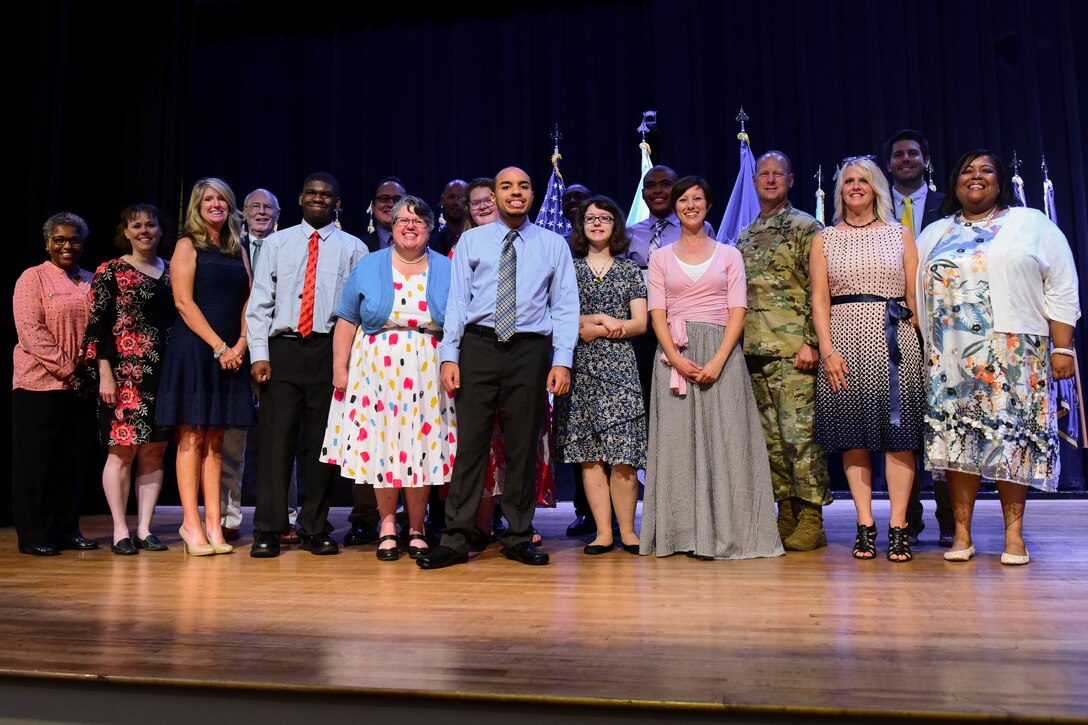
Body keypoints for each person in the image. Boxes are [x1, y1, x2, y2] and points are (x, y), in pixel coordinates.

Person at [916, 149, 1079, 566]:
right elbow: (913, 291)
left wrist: (1063, 346)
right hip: (950, 355)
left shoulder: (1032, 225)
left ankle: (1013, 536)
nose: (976, 177)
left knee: (1013, 442)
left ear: (999, 181)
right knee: (958, 440)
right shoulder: (934, 233)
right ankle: (962, 535)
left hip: (1015, 353)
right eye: (967, 170)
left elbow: (1061, 285)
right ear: (954, 184)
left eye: (986, 170)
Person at [418, 166, 578, 569]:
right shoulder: (472, 241)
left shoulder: (552, 244)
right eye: (507, 187)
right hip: (479, 346)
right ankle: (456, 538)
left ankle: (519, 535)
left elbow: (563, 307)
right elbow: (456, 303)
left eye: (523, 186)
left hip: (528, 351)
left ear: (531, 194)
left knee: (523, 448)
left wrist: (561, 360)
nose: (516, 193)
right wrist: (449, 355)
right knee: (471, 446)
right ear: (495, 195)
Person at [639, 176, 783, 560]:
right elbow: (657, 314)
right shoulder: (659, 257)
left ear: (709, 204)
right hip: (675, 355)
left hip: (722, 354)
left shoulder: (728, 254)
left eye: (697, 199)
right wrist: (675, 357)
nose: (689, 205)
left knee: (728, 442)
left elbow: (738, 312)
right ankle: (681, 533)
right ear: (674, 206)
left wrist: (718, 359)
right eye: (682, 199)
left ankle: (728, 533)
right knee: (677, 445)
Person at [322, 196, 455, 561]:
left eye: (418, 221)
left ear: (430, 228)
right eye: (402, 221)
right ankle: (387, 525)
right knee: (384, 448)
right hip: (375, 370)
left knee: (421, 449)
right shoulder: (370, 264)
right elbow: (347, 318)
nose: (410, 226)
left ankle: (416, 527)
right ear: (391, 227)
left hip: (428, 369)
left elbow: (456, 324)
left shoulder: (445, 268)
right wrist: (339, 368)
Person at [810, 157, 925, 563]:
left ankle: (897, 527)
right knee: (852, 439)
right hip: (843, 341)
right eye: (848, 181)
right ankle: (864, 524)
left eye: (863, 180)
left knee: (900, 439)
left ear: (877, 187)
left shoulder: (900, 234)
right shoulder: (824, 238)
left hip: (895, 341)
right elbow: (819, 299)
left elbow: (915, 299)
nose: (855, 186)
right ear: (841, 190)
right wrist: (827, 350)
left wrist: (924, 349)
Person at [247, 172, 367, 558]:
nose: (319, 199)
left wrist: (348, 362)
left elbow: (358, 311)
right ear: (299, 198)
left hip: (328, 351)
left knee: (321, 445)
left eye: (327, 195)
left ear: (338, 203)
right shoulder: (277, 244)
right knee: (276, 443)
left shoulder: (353, 248)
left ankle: (315, 526)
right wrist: (260, 355)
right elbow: (260, 302)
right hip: (283, 349)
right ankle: (269, 527)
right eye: (312, 194)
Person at [736, 152, 831, 551]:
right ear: (754, 182)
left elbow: (819, 289)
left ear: (791, 180)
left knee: (800, 438)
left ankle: (812, 515)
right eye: (764, 175)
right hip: (754, 350)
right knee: (771, 442)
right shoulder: (744, 235)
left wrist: (812, 341)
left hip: (795, 352)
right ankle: (786, 510)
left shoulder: (806, 227)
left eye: (778, 175)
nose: (771, 180)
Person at [156, 178, 254, 556]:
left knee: (217, 441)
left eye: (222, 199)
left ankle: (214, 523)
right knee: (192, 437)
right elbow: (183, 302)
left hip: (231, 353)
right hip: (197, 351)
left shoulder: (236, 248)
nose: (216, 204)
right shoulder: (187, 245)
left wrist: (241, 343)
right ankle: (190, 524)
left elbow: (250, 299)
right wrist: (219, 347)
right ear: (197, 206)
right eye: (208, 199)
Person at [553, 195, 647, 555]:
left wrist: (605, 327)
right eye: (590, 218)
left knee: (623, 455)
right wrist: (594, 322)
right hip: (579, 368)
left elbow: (639, 323)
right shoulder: (569, 269)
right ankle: (603, 533)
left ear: (615, 226)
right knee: (590, 456)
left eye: (605, 218)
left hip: (620, 369)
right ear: (581, 226)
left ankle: (629, 531)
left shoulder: (628, 270)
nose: (597, 223)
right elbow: (557, 317)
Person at [82, 204, 176, 555]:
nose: (144, 231)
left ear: (161, 230)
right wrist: (104, 372)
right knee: (121, 452)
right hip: (123, 374)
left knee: (154, 452)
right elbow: (98, 324)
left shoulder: (171, 272)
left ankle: (145, 528)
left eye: (150, 225)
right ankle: (120, 529)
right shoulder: (111, 270)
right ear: (126, 232)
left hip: (163, 374)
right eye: (136, 226)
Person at [11, 212, 100, 556]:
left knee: (72, 462)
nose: (67, 245)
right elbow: (31, 332)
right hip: (38, 385)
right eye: (60, 239)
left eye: (74, 239)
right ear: (47, 243)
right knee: (35, 464)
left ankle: (66, 528)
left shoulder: (91, 280)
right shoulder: (32, 278)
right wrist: (68, 369)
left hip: (80, 388)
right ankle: (32, 533)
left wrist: (86, 372)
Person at [885, 128, 952, 546]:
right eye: (898, 155)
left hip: (943, 329)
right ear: (888, 164)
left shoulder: (950, 205)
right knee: (897, 425)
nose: (906, 160)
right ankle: (905, 517)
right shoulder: (873, 207)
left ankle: (949, 518)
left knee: (941, 425)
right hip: (891, 329)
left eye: (913, 153)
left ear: (925, 160)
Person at [219, 188, 290, 543]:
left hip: (280, 351)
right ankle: (228, 517)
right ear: (242, 212)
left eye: (268, 207)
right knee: (233, 437)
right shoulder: (229, 245)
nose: (262, 212)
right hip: (235, 350)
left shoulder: (291, 245)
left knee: (283, 437)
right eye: (255, 207)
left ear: (279, 212)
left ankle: (286, 516)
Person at [344, 176, 406, 547]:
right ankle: (367, 518)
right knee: (369, 438)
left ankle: (408, 521)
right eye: (382, 198)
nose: (388, 203)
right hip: (370, 356)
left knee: (408, 442)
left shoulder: (430, 247)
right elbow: (349, 307)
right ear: (372, 204)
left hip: (416, 364)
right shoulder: (359, 246)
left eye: (395, 199)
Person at [429, 178, 467, 256]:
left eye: (461, 197)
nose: (456, 202)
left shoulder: (478, 240)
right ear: (442, 200)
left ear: (469, 201)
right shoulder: (430, 244)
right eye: (451, 197)